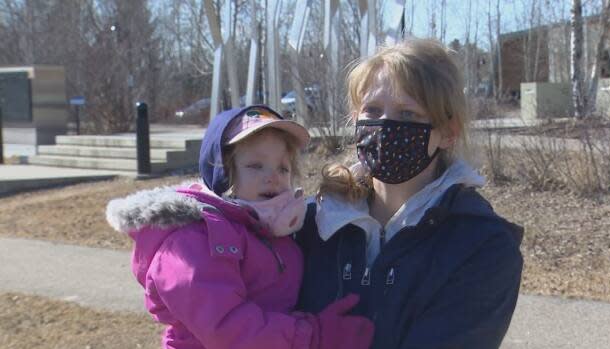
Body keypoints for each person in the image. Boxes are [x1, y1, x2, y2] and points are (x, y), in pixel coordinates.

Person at [294, 39, 524, 348]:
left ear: (448, 132)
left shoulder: (482, 246)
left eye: (407, 115)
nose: (385, 126)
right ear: (355, 118)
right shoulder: (311, 224)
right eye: (372, 110)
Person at [106, 105, 374, 349]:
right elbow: (228, 330)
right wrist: (313, 335)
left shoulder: (270, 231)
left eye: (283, 168)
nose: (273, 176)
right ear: (222, 173)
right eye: (256, 166)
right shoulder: (191, 240)